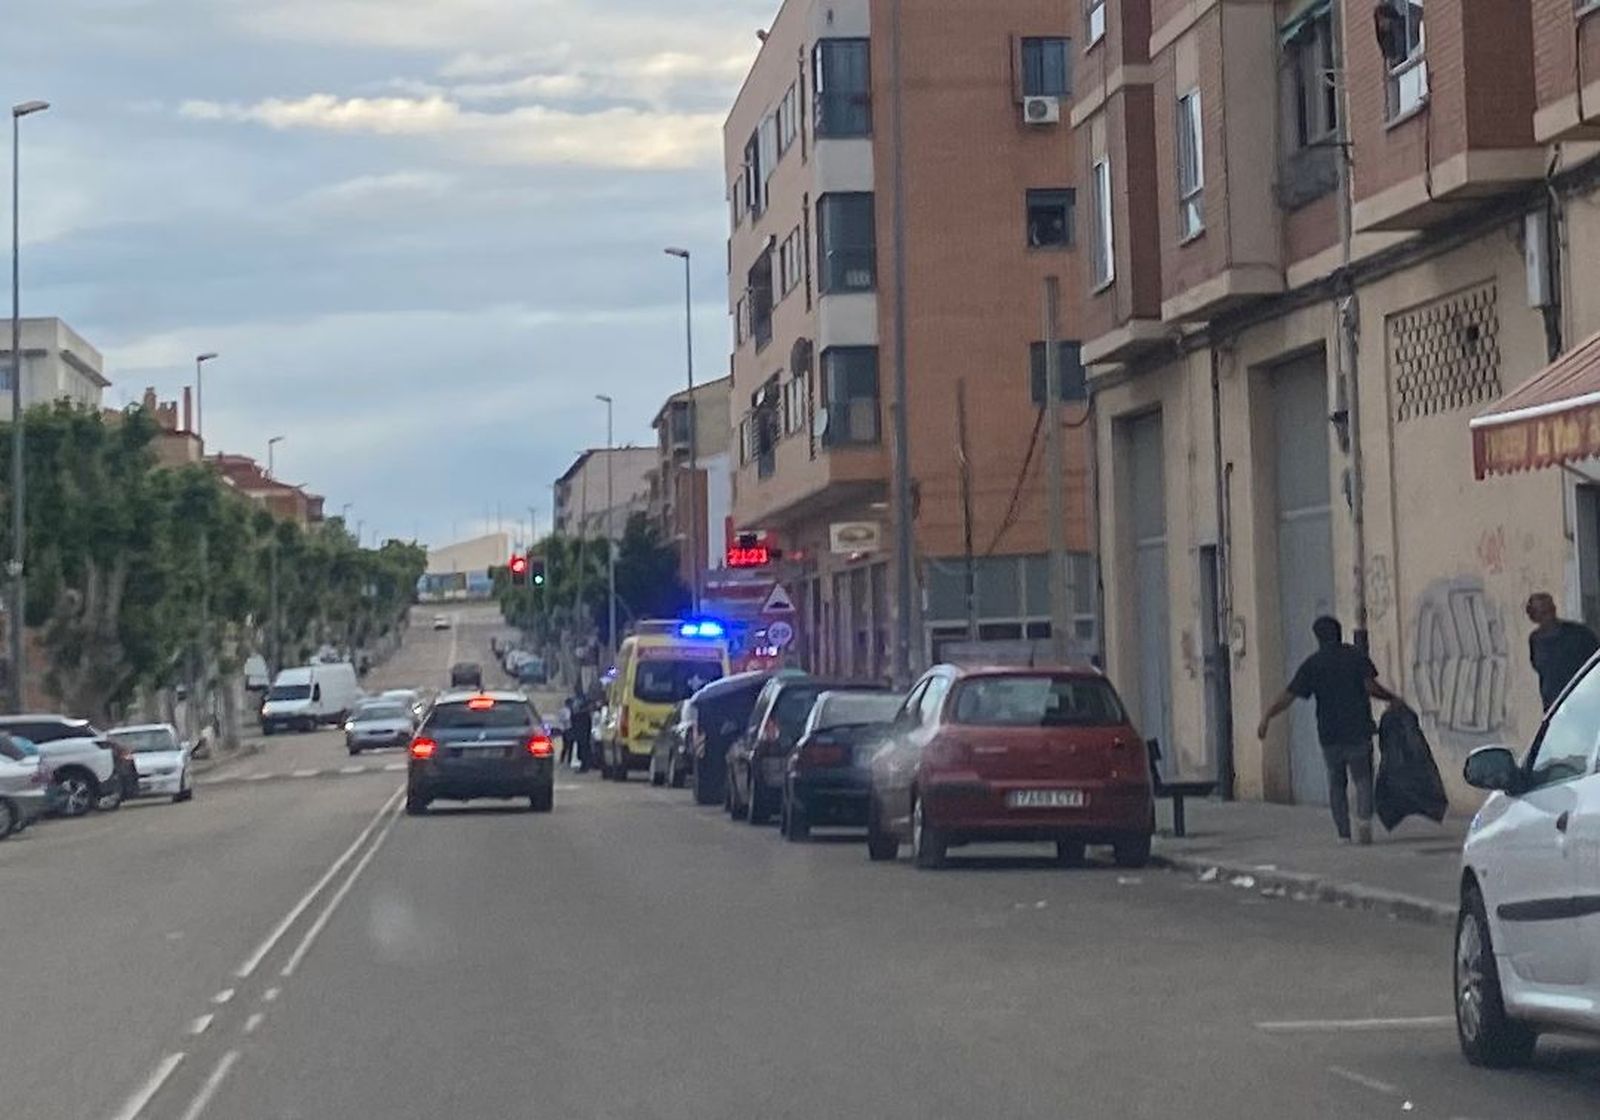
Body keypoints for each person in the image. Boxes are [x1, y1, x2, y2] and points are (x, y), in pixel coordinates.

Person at [1257, 616, 1401, 845]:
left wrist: (1267, 716)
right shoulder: (1355, 657)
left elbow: (1289, 696)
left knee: (1336, 783)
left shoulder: (1313, 664)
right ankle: (1364, 823)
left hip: (1330, 735)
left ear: (1317, 637)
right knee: (1363, 779)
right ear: (1339, 633)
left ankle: (1343, 834)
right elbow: (1371, 687)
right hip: (1358, 730)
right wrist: (1392, 698)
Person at [1525, 592, 1600, 711]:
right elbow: (1539, 668)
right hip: (1555, 707)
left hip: (1583, 703)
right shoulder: (1535, 640)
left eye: (1550, 610)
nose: (1548, 616)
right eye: (1542, 613)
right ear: (1534, 617)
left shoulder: (1579, 634)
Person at [567, 693, 593, 774]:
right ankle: (584, 766)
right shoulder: (582, 715)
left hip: (583, 736)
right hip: (582, 736)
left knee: (584, 750)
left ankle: (585, 766)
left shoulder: (582, 716)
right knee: (582, 750)